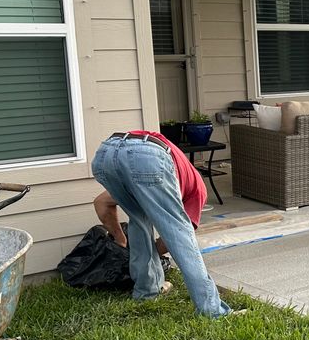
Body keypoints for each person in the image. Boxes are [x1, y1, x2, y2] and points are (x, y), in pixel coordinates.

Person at [91, 130, 231, 318]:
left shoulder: (176, 172)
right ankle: (213, 311)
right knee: (180, 234)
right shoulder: (197, 190)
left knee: (139, 221)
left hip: (105, 154)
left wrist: (121, 240)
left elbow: (100, 203)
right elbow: (175, 240)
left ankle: (146, 292)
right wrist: (152, 250)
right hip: (145, 158)